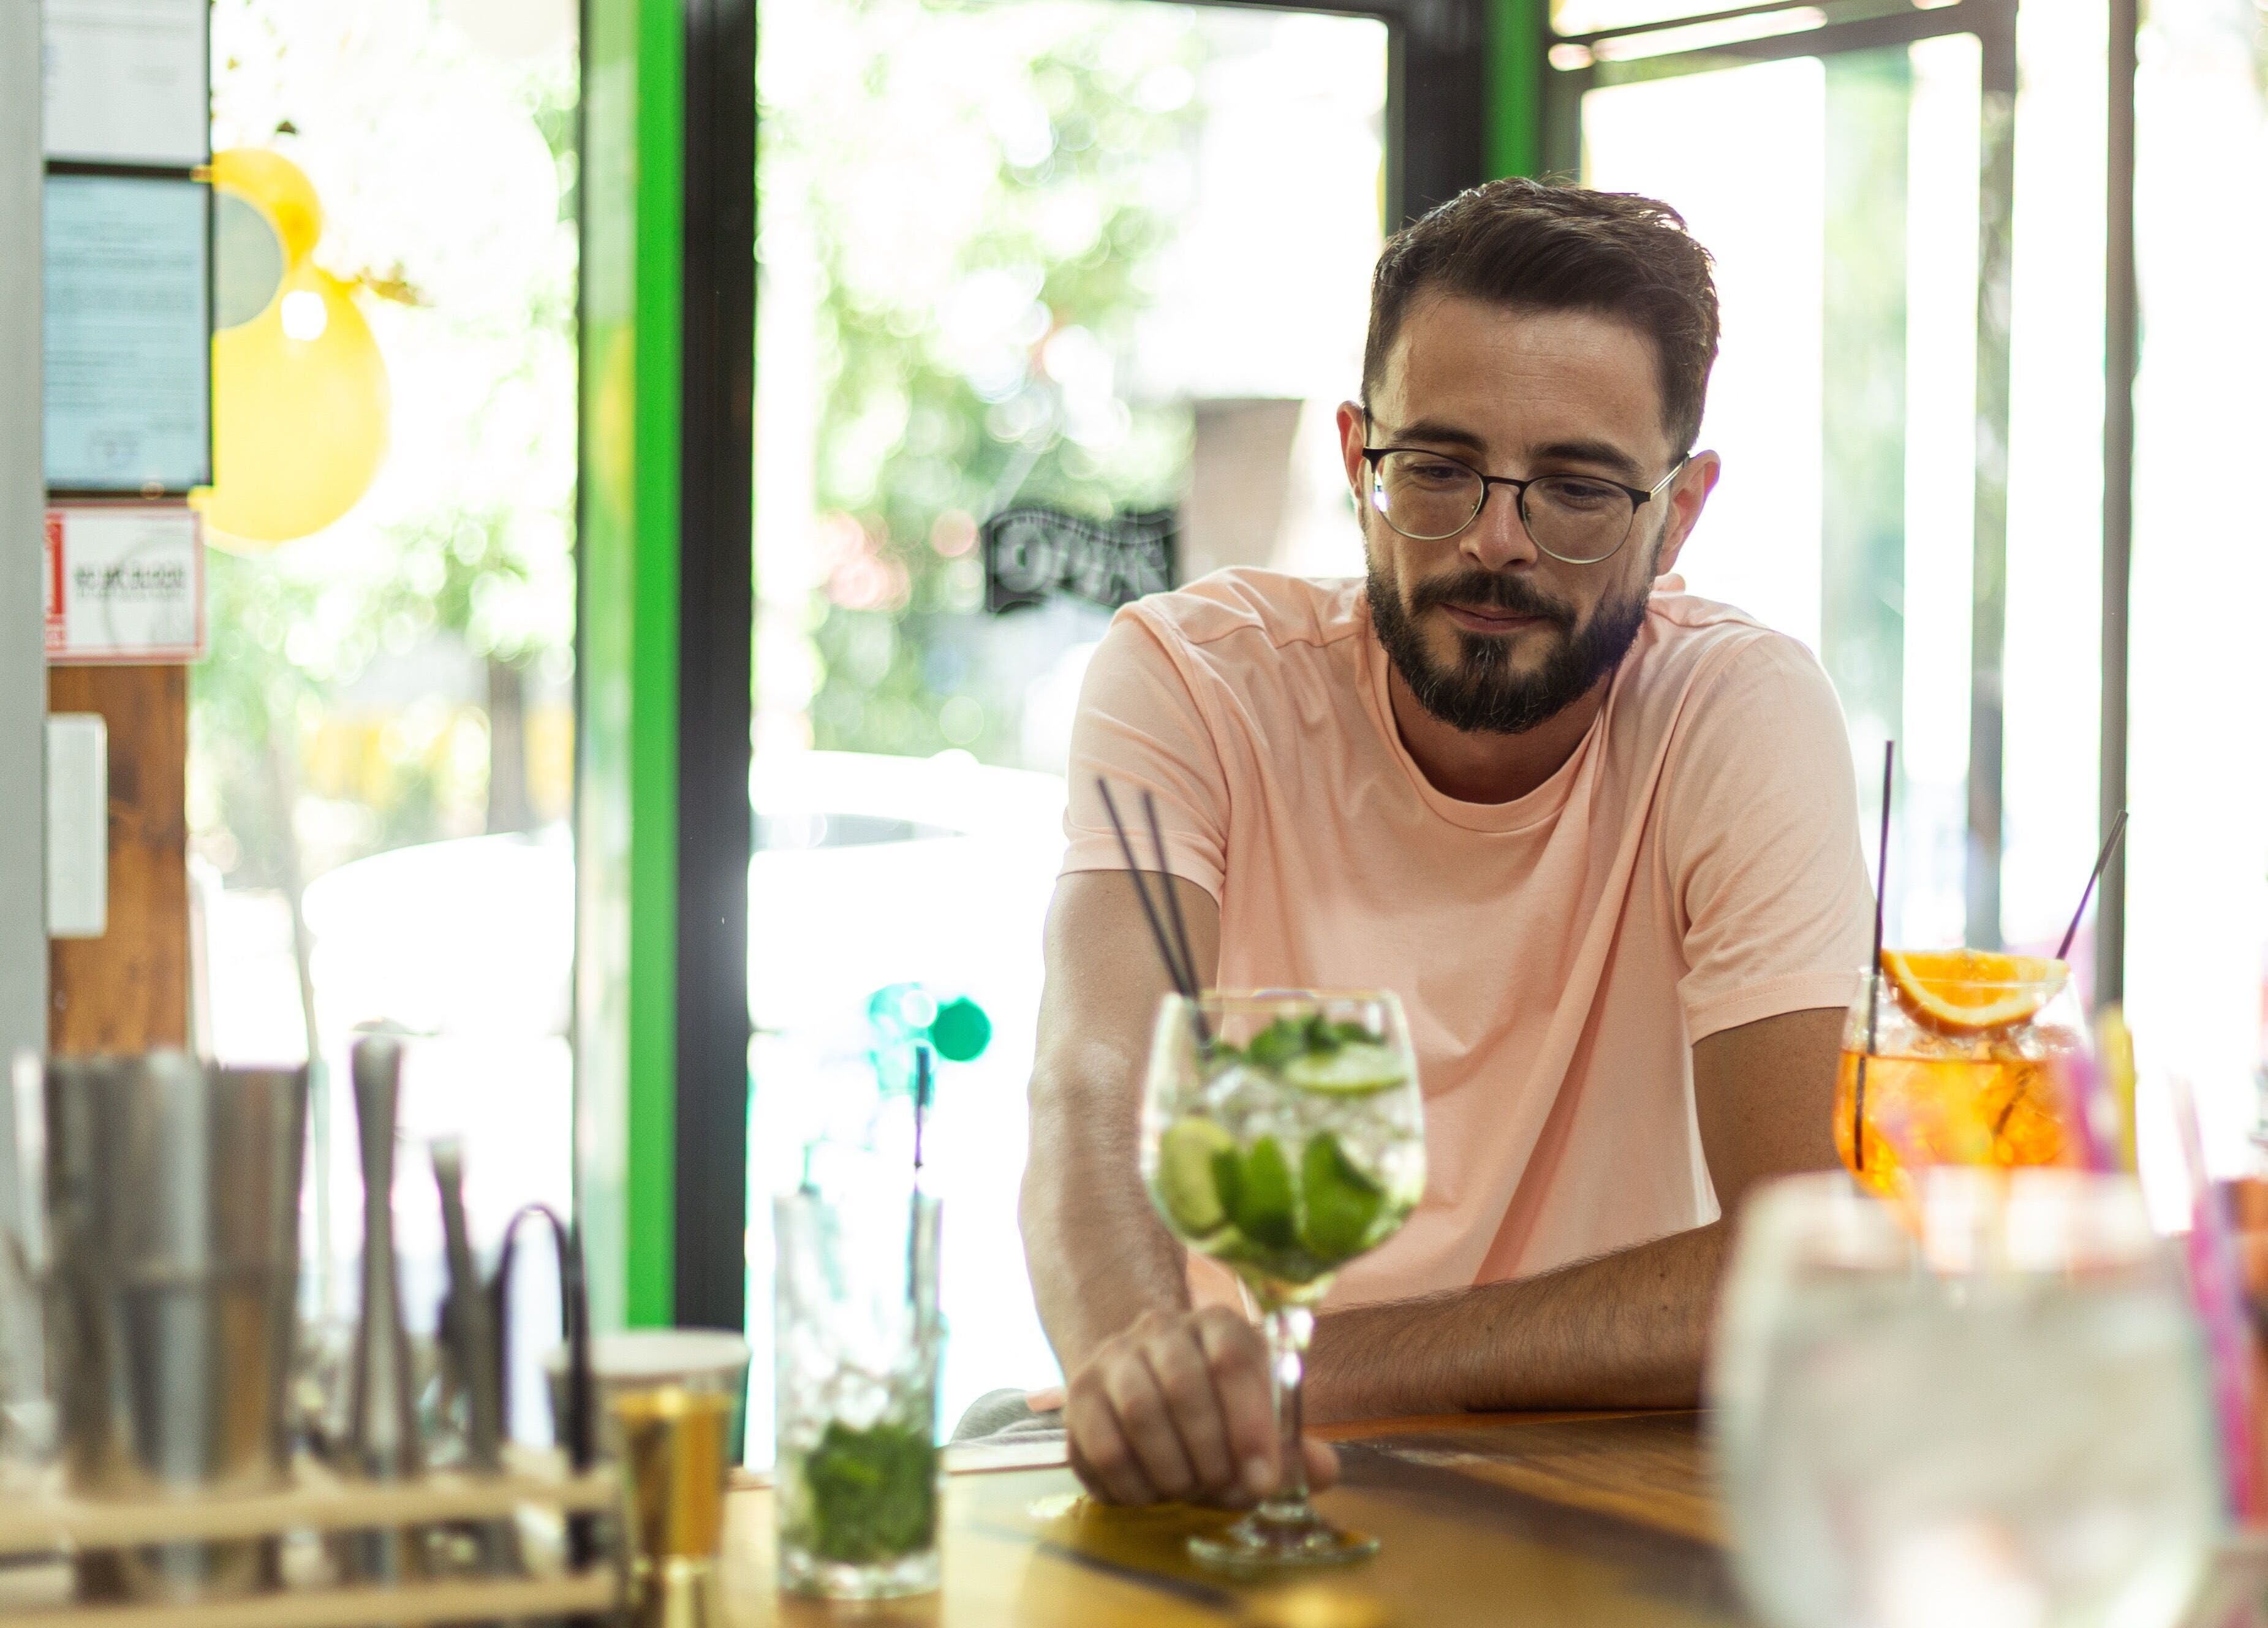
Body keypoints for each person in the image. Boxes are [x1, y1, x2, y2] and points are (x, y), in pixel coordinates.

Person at [1018, 178, 1873, 1509]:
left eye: (1579, 489)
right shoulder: (1190, 678)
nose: (1493, 540)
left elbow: (1806, 1263)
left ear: (1681, 509)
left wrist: (1297, 1366)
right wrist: (1143, 1373)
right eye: (1440, 468)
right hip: (1239, 1481)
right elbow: (1088, 1095)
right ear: (1362, 455)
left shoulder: (1735, 709)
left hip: (1589, 1490)